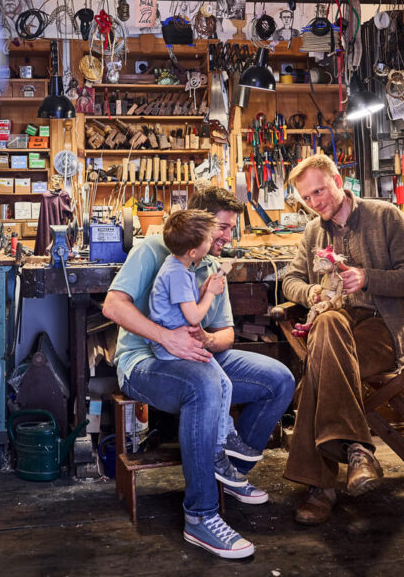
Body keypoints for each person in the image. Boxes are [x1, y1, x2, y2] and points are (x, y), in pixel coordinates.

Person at [102, 187, 295, 559]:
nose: (227, 237)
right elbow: (113, 306)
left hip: (195, 356)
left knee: (279, 380)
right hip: (143, 362)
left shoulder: (210, 264)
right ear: (200, 225)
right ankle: (201, 515)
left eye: (231, 229)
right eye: (222, 228)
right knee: (205, 386)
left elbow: (226, 335)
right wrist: (167, 338)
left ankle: (229, 469)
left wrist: (206, 339)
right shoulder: (153, 250)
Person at [281, 155, 404, 525]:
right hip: (337, 325)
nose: (314, 203)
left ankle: (321, 488)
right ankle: (359, 453)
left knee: (319, 367)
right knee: (328, 324)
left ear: (337, 180)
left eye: (318, 191)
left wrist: (367, 278)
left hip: (384, 327)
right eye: (306, 198)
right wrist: (311, 292)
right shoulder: (313, 231)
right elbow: (290, 281)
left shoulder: (385, 216)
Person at [148, 209, 263, 490]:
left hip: (179, 340)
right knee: (220, 383)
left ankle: (225, 437)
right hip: (172, 348)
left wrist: (205, 289)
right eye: (208, 238)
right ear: (192, 251)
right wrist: (211, 293)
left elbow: (187, 304)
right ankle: (220, 446)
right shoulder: (177, 274)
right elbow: (194, 317)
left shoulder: (179, 267)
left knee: (223, 383)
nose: (214, 240)